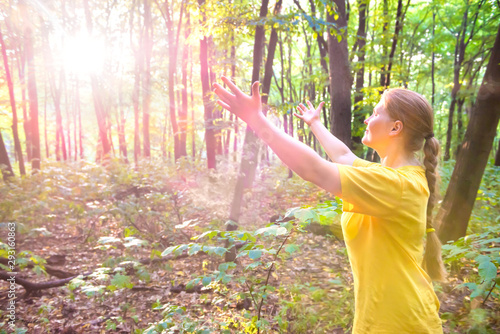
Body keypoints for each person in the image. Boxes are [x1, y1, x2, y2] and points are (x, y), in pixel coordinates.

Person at [213, 76, 446, 333]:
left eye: (376, 112)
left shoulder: (396, 184)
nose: (368, 119)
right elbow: (344, 156)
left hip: (402, 323)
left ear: (395, 128)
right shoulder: (393, 179)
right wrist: (315, 124)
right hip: (389, 319)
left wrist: (257, 121)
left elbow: (313, 169)